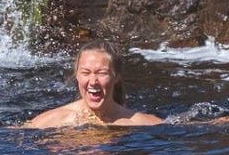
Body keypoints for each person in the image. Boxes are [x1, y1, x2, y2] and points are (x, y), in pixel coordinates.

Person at [24, 40, 163, 128]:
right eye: (85, 73)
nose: (93, 81)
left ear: (116, 77)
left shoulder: (142, 124)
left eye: (102, 73)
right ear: (77, 75)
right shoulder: (51, 121)